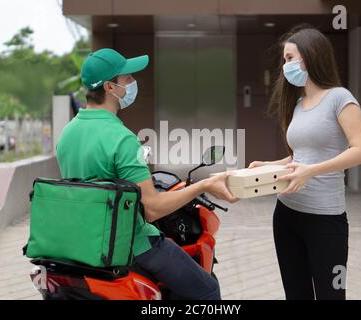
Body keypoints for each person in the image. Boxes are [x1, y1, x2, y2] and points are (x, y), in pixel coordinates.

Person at [56, 48, 237, 300]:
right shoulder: (122, 139)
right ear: (109, 87)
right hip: (128, 243)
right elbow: (152, 209)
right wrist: (203, 185)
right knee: (207, 290)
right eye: (127, 79)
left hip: (84, 241)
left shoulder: (68, 133)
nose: (132, 84)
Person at [248, 26, 361, 300]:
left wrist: (313, 171)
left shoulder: (340, 98)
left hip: (325, 220)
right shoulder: (299, 103)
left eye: (290, 58)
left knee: (331, 295)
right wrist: (271, 165)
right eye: (284, 60)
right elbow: (302, 156)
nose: (285, 66)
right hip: (286, 214)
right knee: (296, 294)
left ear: (311, 56)